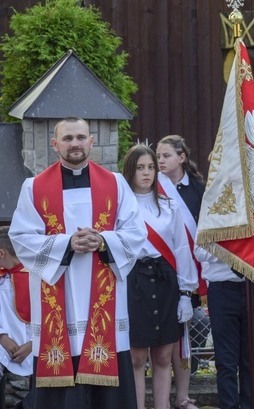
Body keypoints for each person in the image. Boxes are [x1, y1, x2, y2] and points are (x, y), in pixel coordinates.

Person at [8, 117, 145, 408]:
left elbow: (135, 232)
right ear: (55, 143)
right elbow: (20, 236)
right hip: (59, 299)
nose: (75, 143)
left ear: (91, 142)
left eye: (81, 137)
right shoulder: (33, 187)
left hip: (105, 302)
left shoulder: (116, 184)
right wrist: (66, 244)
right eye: (68, 138)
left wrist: (103, 241)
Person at [122, 145, 198, 409]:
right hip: (134, 281)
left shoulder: (168, 206)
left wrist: (186, 294)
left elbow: (181, 249)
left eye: (151, 167)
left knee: (164, 355)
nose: (146, 173)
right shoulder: (120, 207)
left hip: (166, 281)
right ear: (129, 170)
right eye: (140, 167)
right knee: (136, 356)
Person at [156, 135, 210, 409]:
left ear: (182, 158)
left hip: (194, 267)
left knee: (185, 335)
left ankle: (183, 397)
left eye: (166, 155)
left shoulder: (199, 188)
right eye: (158, 156)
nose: (160, 161)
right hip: (163, 269)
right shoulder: (152, 187)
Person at [194, 246, 254, 409]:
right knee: (225, 361)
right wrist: (234, 249)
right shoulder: (211, 218)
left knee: (253, 360)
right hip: (223, 290)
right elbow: (199, 251)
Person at [0, 227, 34, 408]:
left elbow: (52, 316)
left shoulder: (38, 278)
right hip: (2, 350)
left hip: (33, 351)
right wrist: (2, 337)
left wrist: (33, 345)